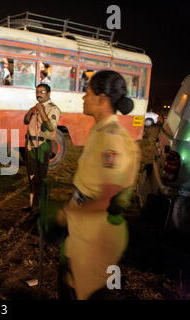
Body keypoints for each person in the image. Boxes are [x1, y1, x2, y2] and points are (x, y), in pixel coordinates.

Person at [56, 70, 140, 300]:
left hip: (98, 237)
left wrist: (66, 211)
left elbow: (106, 199)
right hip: (84, 232)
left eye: (88, 92)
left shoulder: (112, 138)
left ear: (102, 98)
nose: (84, 97)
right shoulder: (99, 131)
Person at [23, 84, 61, 213]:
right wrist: (32, 110)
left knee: (41, 177)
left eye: (42, 92)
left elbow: (50, 128)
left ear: (49, 94)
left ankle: (42, 206)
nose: (39, 94)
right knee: (32, 176)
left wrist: (41, 111)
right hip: (30, 144)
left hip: (43, 145)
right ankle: (32, 204)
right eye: (37, 92)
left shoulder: (53, 109)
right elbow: (26, 121)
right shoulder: (36, 107)